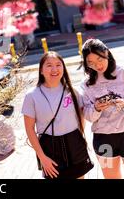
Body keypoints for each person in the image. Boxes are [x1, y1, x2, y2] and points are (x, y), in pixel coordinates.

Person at [80, 39, 124, 179]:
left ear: (106, 52)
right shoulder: (86, 84)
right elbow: (88, 116)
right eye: (91, 63)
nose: (97, 65)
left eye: (100, 59)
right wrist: (96, 108)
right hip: (103, 140)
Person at [22, 51, 94, 179]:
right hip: (50, 147)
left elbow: (81, 116)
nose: (54, 69)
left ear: (63, 68)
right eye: (49, 65)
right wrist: (42, 157)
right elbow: (29, 129)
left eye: (58, 65)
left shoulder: (73, 91)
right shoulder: (32, 95)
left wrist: (79, 137)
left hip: (74, 142)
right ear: (41, 70)